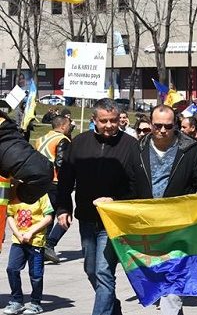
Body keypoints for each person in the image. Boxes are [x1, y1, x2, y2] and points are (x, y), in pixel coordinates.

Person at [131, 105, 197, 314]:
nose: (162, 130)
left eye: (168, 126)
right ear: (151, 124)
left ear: (175, 126)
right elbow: (127, 184)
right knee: (157, 278)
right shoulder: (137, 149)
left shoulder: (189, 149)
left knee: (172, 281)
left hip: (179, 226)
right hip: (148, 226)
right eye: (157, 125)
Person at [57, 98, 139, 315]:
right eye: (104, 121)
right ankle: (112, 305)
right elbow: (65, 179)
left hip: (113, 222)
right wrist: (63, 208)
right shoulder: (80, 143)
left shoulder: (131, 146)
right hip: (86, 218)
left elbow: (137, 185)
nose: (110, 125)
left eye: (113, 120)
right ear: (94, 120)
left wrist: (118, 202)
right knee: (91, 270)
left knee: (104, 272)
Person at [3, 190, 53, 315]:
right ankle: (16, 300)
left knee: (36, 274)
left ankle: (36, 302)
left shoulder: (41, 194)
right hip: (18, 240)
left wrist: (31, 232)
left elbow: (48, 217)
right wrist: (17, 233)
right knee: (12, 269)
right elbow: (10, 216)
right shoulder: (14, 193)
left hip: (35, 241)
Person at [34, 115, 73, 264]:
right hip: (57, 182)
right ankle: (49, 244)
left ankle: (41, 247)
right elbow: (62, 162)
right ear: (63, 126)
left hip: (41, 182)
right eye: (69, 124)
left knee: (47, 215)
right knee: (66, 216)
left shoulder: (40, 139)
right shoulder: (62, 140)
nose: (70, 126)